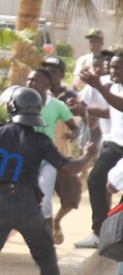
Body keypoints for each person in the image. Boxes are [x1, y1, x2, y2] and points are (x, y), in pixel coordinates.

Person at [0, 86, 96, 275]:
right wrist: (87, 156)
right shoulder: (41, 140)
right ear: (38, 110)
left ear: (12, 108)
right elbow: (69, 169)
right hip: (28, 206)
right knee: (46, 257)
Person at [75, 50, 123, 248]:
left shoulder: (108, 88)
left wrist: (99, 88)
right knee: (96, 179)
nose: (113, 70)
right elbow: (112, 111)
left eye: (117, 67)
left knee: (115, 188)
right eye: (111, 66)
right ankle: (99, 232)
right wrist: (87, 110)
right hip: (115, 145)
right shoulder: (114, 86)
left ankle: (117, 233)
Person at [26, 68, 79, 234]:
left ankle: (47, 236)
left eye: (34, 80)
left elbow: (75, 127)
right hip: (25, 159)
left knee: (45, 199)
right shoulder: (21, 101)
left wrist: (72, 135)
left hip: (48, 160)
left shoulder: (57, 105)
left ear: (45, 85)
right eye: (28, 80)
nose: (30, 83)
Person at [40, 57, 84, 244]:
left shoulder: (71, 96)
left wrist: (75, 132)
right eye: (47, 69)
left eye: (54, 70)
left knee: (72, 195)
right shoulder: (38, 93)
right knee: (43, 198)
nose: (50, 73)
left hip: (62, 153)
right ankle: (45, 231)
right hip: (41, 156)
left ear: (62, 74)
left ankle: (56, 221)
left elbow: (79, 123)